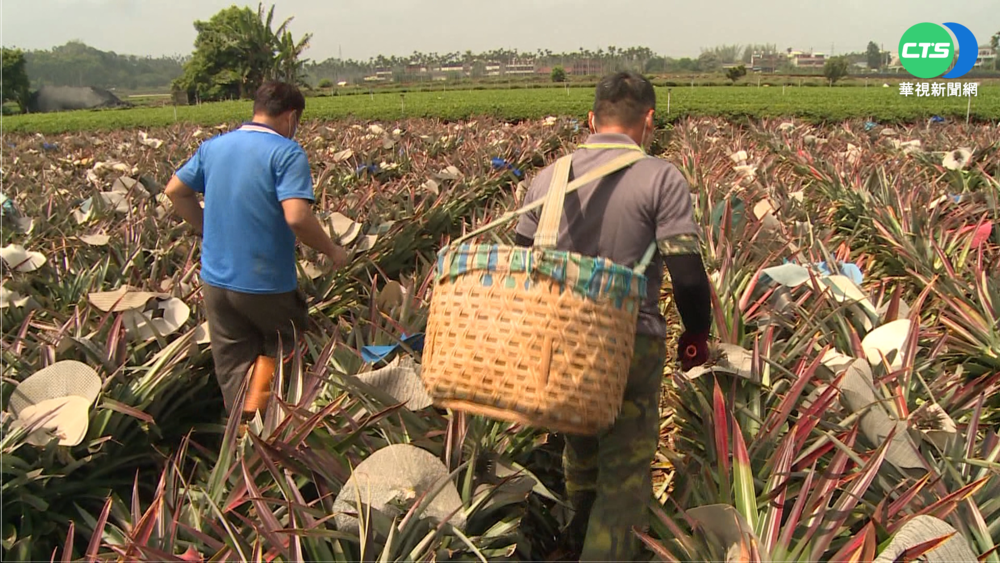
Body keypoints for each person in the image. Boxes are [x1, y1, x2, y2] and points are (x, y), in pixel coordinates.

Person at [514, 71, 713, 562]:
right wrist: (696, 336)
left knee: (581, 451)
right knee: (624, 472)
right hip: (628, 340)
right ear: (649, 120)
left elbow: (520, 256)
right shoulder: (660, 178)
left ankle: (576, 536)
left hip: (559, 340)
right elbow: (687, 275)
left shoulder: (550, 177)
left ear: (591, 119)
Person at [164, 80, 348, 419]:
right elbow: (297, 217)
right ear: (291, 116)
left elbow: (175, 190)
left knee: (234, 364)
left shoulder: (214, 147)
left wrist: (209, 229)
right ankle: (279, 439)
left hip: (216, 282)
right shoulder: (285, 152)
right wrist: (332, 250)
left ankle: (243, 439)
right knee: (285, 350)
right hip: (265, 283)